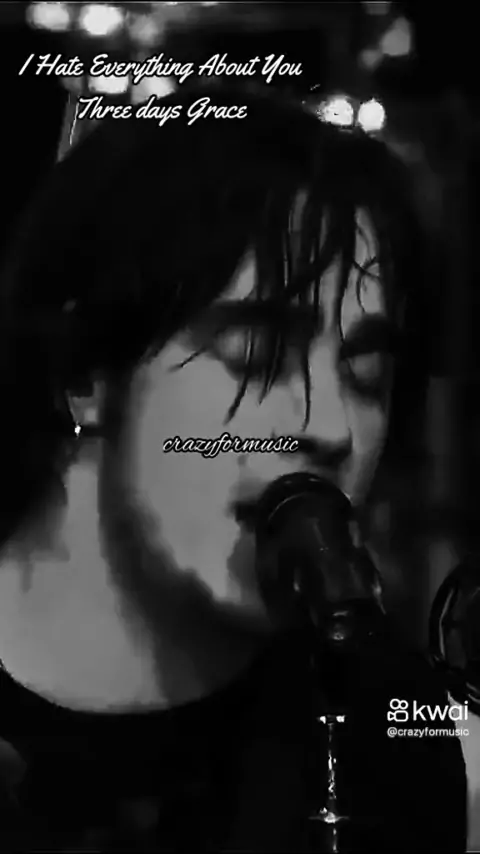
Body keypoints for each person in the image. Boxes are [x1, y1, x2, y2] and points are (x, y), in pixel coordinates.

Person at [0, 84, 467, 851]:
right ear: (85, 369)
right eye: (257, 351)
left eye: (367, 375)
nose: (330, 427)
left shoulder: (390, 736)